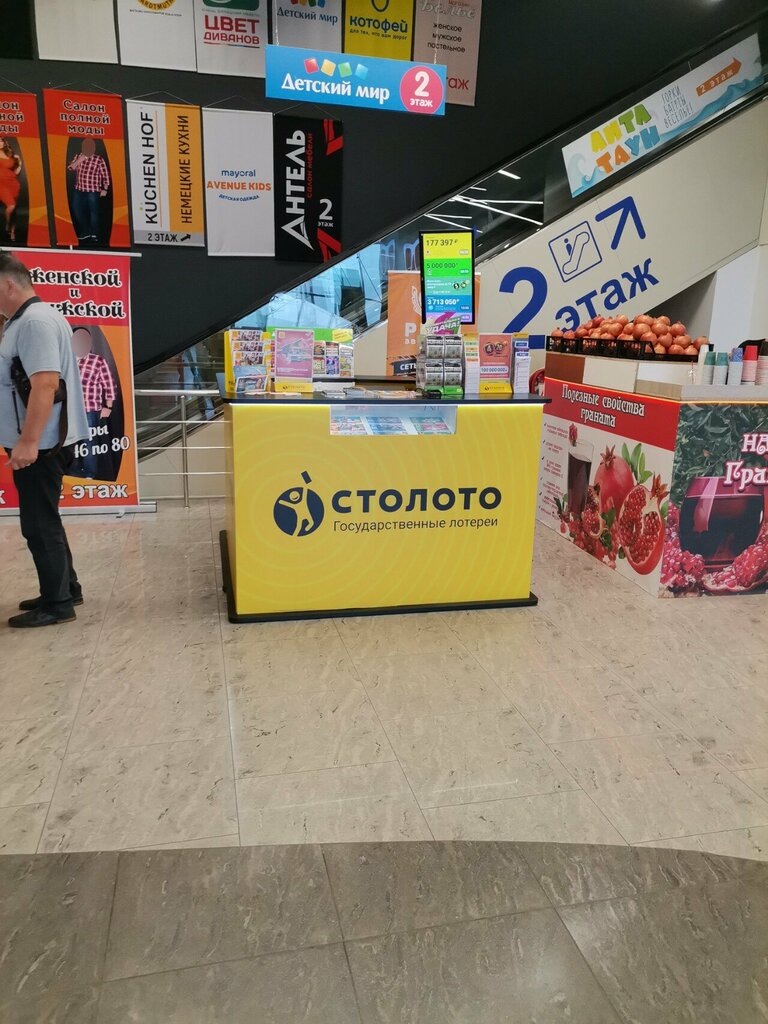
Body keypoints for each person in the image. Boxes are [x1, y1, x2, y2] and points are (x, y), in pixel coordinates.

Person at [0, 253, 89, 627]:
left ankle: (58, 604)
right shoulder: (28, 320)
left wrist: (28, 442)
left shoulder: (34, 322)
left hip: (42, 445)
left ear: (8, 284)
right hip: (44, 441)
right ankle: (66, 587)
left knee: (38, 524)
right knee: (45, 517)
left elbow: (46, 385)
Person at [71, 326, 116, 478]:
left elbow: (109, 385)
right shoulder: (66, 360)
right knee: (70, 443)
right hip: (68, 410)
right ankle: (72, 474)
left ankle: (90, 475)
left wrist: (108, 406)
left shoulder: (97, 361)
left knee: (89, 443)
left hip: (89, 410)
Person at [67, 138, 110, 246]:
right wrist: (79, 160)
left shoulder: (98, 159)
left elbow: (105, 175)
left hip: (93, 191)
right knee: (76, 210)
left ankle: (94, 234)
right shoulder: (79, 156)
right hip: (79, 189)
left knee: (93, 212)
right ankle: (85, 231)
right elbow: (71, 168)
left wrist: (105, 188)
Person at [0, 138, 22, 243]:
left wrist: (20, 162)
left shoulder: (10, 155)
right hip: (1, 184)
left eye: (0, 141)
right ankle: (8, 226)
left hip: (13, 184)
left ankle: (12, 231)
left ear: (4, 143)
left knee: (13, 209)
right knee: (11, 205)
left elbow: (16, 172)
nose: (0, 143)